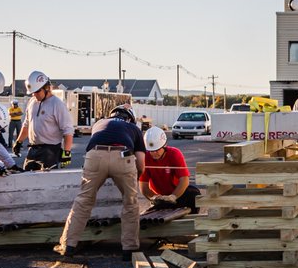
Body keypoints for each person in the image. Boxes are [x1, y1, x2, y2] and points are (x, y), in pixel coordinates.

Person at [56, 105, 147, 258]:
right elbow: (141, 164)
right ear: (130, 118)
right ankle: (129, 248)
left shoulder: (99, 124)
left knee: (83, 200)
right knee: (130, 203)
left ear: (111, 115)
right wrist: (134, 178)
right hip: (123, 156)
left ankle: (68, 245)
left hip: (95, 156)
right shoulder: (133, 128)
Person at [13, 70, 74, 171]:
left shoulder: (57, 104)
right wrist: (19, 141)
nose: (34, 95)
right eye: (32, 93)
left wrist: (67, 152)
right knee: (25, 179)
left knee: (46, 182)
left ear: (46, 88)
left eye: (37, 91)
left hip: (50, 151)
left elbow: (68, 130)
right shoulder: (32, 102)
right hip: (32, 150)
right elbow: (27, 124)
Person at [140, 126, 200, 213]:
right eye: (151, 151)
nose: (154, 153)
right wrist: (154, 197)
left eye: (157, 150)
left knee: (194, 194)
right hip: (160, 197)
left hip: (178, 194)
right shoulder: (145, 158)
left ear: (164, 145)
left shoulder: (175, 154)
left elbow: (184, 180)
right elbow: (143, 186)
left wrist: (173, 197)